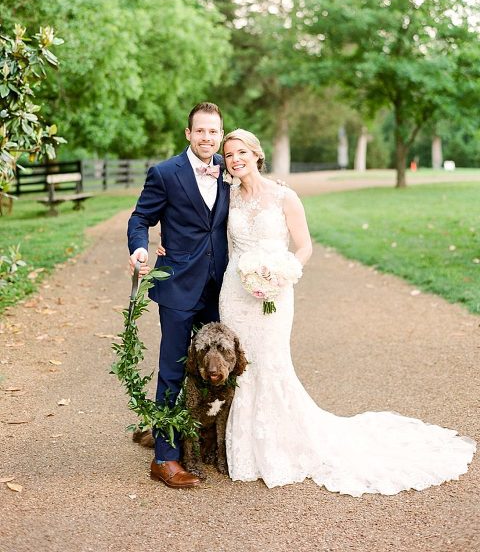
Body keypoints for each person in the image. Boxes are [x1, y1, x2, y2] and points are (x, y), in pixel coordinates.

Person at [219, 129, 476, 495]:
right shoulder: (227, 198)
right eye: (229, 155)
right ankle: (240, 451)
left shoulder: (284, 197)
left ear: (256, 154)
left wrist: (282, 274)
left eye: (241, 152)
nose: (235, 159)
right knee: (240, 367)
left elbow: (305, 246)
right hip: (234, 292)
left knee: (271, 361)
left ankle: (278, 447)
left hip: (274, 292)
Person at [127, 102, 229, 489]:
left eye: (213, 132)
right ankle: (165, 458)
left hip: (220, 288)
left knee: (216, 369)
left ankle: (204, 444)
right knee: (172, 370)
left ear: (221, 134)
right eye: (200, 131)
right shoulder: (166, 173)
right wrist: (140, 249)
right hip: (177, 286)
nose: (207, 138)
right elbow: (140, 218)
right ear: (188, 134)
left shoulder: (229, 169)